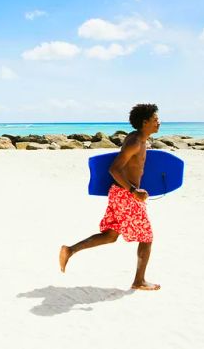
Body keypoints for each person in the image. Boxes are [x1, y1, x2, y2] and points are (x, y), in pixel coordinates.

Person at [59, 103, 162, 291]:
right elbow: (114, 169)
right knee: (146, 237)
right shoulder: (135, 142)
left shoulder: (140, 139)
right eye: (155, 120)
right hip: (125, 195)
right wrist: (133, 191)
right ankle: (139, 281)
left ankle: (69, 250)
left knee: (110, 235)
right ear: (145, 122)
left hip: (119, 193)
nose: (159, 123)